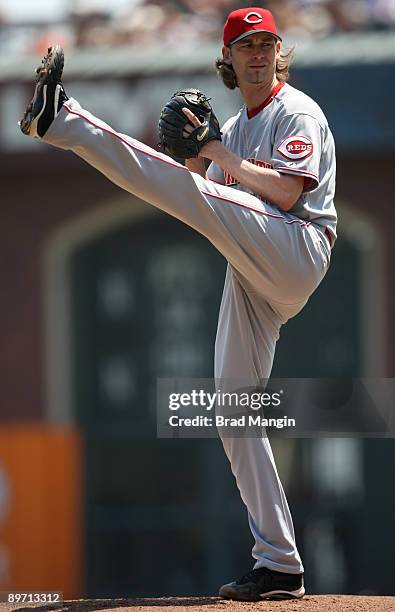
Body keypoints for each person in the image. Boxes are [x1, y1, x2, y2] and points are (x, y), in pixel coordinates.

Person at [20, 6, 336, 601]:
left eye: (267, 42)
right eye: (245, 45)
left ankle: (63, 119)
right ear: (228, 59)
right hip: (256, 271)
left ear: (279, 51)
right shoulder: (241, 126)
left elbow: (289, 193)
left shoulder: (297, 111)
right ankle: (280, 563)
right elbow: (201, 189)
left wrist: (212, 155)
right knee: (231, 410)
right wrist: (195, 153)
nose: (259, 53)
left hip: (300, 246)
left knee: (193, 191)